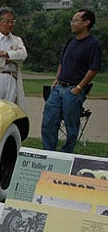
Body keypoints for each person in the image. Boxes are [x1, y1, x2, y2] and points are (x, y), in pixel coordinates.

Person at [42, 9, 102, 153]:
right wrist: (56, 78)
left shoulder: (93, 44)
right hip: (58, 88)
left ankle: (66, 154)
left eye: (76, 20)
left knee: (71, 126)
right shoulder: (71, 41)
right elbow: (62, 61)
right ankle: (48, 153)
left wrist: (80, 87)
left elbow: (93, 69)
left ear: (87, 22)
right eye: (72, 20)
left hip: (73, 90)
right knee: (49, 122)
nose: (72, 24)